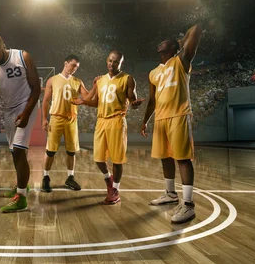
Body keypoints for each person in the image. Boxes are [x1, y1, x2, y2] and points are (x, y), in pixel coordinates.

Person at [140, 22, 205, 224]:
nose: (160, 44)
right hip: (160, 118)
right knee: (165, 157)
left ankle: (188, 205)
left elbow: (196, 30)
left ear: (173, 47)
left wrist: (181, 41)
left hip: (179, 114)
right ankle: (170, 194)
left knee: (183, 159)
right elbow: (152, 100)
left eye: (164, 42)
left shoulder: (182, 60)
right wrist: (144, 122)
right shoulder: (153, 73)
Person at [0, 34, 41, 213]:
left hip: (26, 104)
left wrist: (27, 113)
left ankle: (21, 198)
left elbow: (36, 88)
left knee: (20, 150)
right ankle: (22, 185)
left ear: (4, 47)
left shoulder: (22, 57)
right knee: (14, 151)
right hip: (8, 109)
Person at [73, 50, 143, 204]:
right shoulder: (100, 80)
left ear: (121, 63)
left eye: (116, 62)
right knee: (98, 158)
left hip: (117, 120)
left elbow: (133, 100)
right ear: (107, 60)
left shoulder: (128, 79)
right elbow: (96, 102)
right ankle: (108, 179)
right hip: (101, 121)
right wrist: (83, 102)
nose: (112, 64)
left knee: (117, 159)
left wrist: (135, 104)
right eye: (110, 61)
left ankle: (115, 190)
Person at [40, 54, 91, 192]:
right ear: (65, 63)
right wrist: (44, 119)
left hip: (71, 119)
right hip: (56, 117)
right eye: (73, 65)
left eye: (77, 67)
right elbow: (45, 101)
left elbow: (87, 97)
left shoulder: (77, 81)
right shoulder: (52, 80)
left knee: (71, 151)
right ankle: (45, 178)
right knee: (50, 151)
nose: (74, 68)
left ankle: (70, 177)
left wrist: (96, 87)